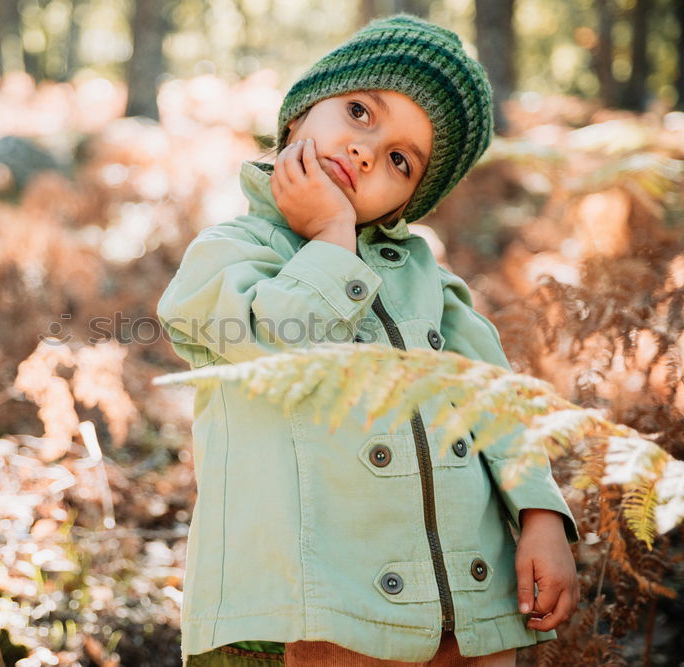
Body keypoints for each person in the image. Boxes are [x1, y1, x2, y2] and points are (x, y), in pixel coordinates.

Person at [156, 14, 580, 667]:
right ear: (299, 112)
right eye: (360, 112)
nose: (365, 151)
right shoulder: (224, 257)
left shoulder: (430, 281)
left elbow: (500, 402)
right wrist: (330, 239)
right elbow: (278, 349)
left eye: (400, 161)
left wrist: (541, 515)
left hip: (465, 603)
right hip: (322, 611)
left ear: (411, 200)